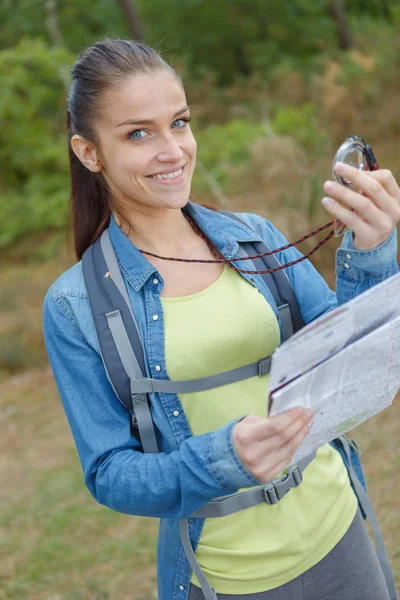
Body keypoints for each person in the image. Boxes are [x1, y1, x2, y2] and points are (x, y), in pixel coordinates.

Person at [43, 38, 400, 600]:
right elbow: (110, 472)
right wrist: (221, 460)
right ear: (89, 153)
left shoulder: (254, 235)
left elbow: (353, 352)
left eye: (179, 123)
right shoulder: (76, 306)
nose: (173, 151)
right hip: (234, 578)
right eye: (139, 133)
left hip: (340, 530)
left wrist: (372, 247)